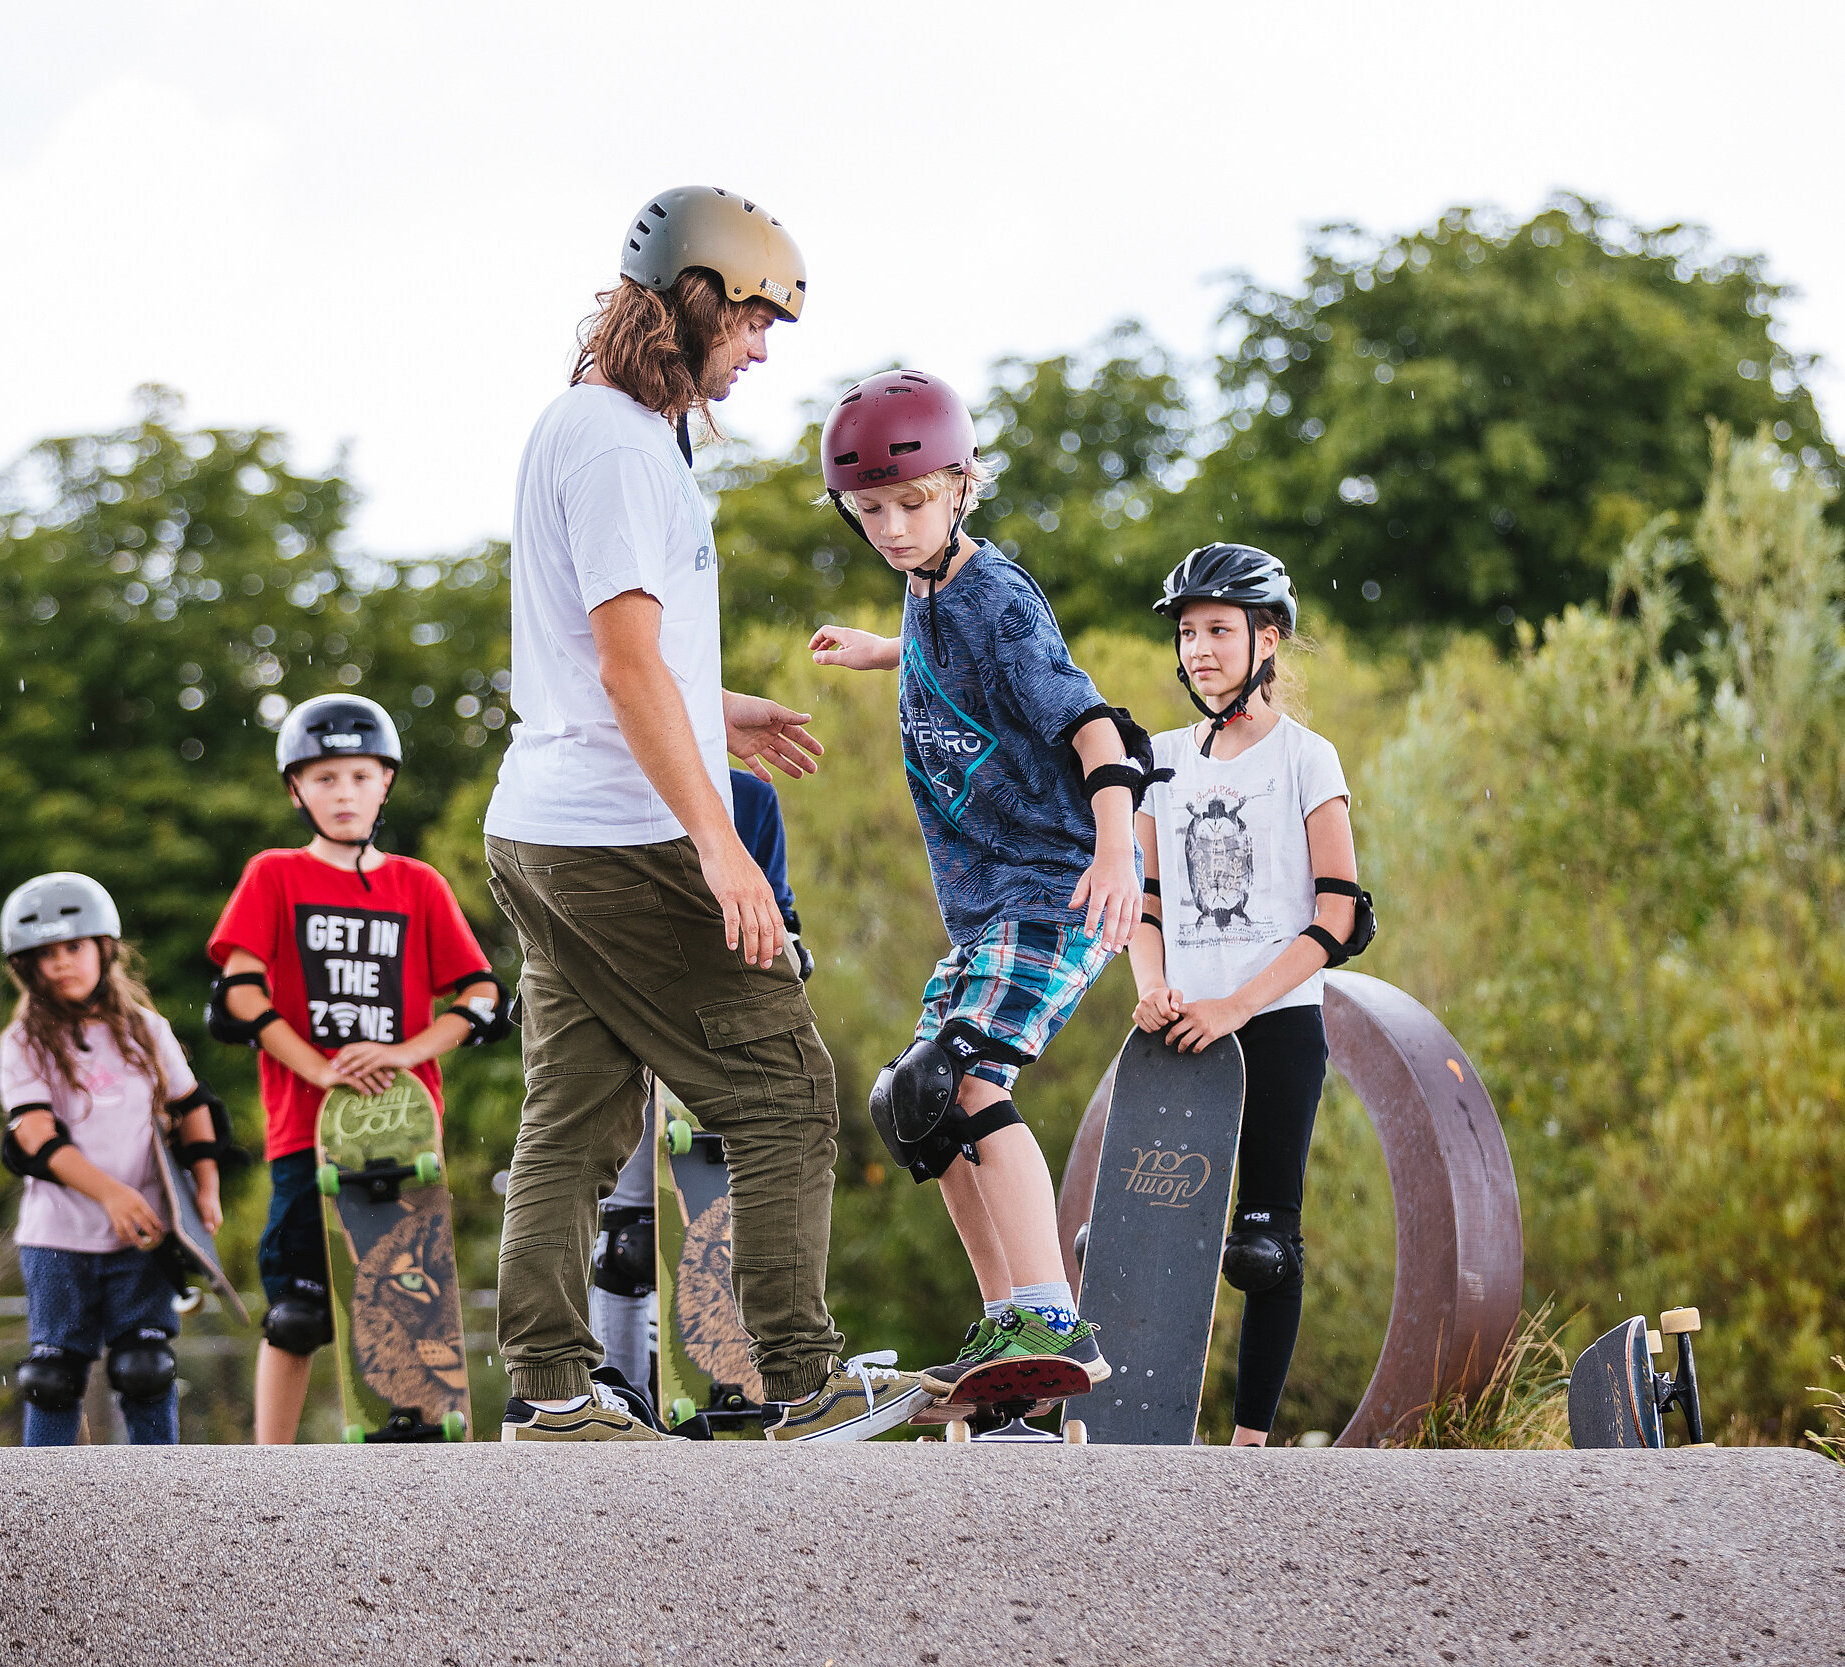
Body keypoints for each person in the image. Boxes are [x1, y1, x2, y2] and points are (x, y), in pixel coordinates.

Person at [484, 185, 925, 1443]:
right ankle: (803, 1376)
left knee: (574, 1114)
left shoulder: (582, 424)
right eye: (752, 319)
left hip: (542, 826)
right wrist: (721, 844)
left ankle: (552, 1390)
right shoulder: (624, 446)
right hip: (624, 838)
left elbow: (609, 652)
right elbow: (623, 666)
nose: (761, 348)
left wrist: (716, 704)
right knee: (785, 1088)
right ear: (691, 299)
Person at [806, 368, 1163, 1401]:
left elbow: (1094, 721)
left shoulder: (995, 596)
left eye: (913, 504)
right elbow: (943, 655)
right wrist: (886, 652)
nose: (891, 527)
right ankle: (1009, 1320)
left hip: (1058, 883)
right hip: (988, 907)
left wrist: (1115, 850)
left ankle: (1054, 1320)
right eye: (867, 510)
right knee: (914, 1107)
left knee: (965, 1079)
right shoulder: (924, 591)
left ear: (963, 485)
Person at [206, 692, 507, 1445]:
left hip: (405, 1139)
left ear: (386, 783)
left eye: (359, 776)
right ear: (296, 789)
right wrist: (319, 1067)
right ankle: (266, 1471)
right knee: (299, 1312)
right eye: (326, 778)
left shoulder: (418, 884)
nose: (344, 793)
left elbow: (481, 993)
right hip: (307, 1137)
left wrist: (403, 1052)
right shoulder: (273, 875)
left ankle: (420, 1467)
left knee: (415, 1310)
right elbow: (239, 992)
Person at [1127, 543, 1375, 1445]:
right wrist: (1153, 985)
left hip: (1272, 1030)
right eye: (1188, 633)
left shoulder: (1310, 759)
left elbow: (1340, 914)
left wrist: (1237, 1005)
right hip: (1177, 1031)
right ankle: (1141, 1429)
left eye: (1219, 630)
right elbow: (1144, 901)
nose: (1199, 649)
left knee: (1260, 1247)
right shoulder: (1157, 759)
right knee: (1147, 1236)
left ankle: (1249, 1450)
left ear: (1268, 638)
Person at [588, 767, 813, 1394]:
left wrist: (786, 956)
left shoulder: (750, 798)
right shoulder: (611, 779)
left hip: (720, 1026)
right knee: (628, 1239)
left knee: (725, 1219)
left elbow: (780, 919)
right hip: (626, 1022)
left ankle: (754, 1379)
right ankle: (621, 1390)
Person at [0, 871, 239, 1446]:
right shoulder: (24, 1042)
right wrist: (111, 1194)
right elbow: (34, 1135)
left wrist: (205, 1190)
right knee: (54, 1376)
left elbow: (193, 1108)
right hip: (59, 1237)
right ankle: (43, 1504)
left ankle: (158, 1501)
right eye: (46, 954)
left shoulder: (145, 1029)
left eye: (74, 946)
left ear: (103, 949)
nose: (63, 962)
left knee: (145, 1367)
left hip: (146, 1234)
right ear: (27, 967)